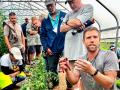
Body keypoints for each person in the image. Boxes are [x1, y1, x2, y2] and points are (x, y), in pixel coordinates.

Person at [40, 0, 66, 88]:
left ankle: (70, 85)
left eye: (51, 5)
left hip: (64, 47)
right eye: (48, 6)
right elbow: (43, 36)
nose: (50, 7)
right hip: (51, 48)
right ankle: (54, 86)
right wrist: (46, 47)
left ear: (55, 3)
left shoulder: (64, 15)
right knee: (51, 69)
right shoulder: (45, 20)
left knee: (67, 66)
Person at [60, 0, 93, 65]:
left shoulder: (88, 7)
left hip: (81, 52)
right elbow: (61, 29)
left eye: (72, 2)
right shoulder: (68, 14)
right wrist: (73, 24)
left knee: (82, 72)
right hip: (69, 53)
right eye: (69, 3)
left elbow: (77, 22)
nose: (71, 5)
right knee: (70, 73)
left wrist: (67, 23)